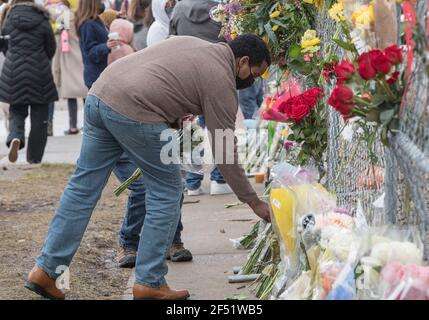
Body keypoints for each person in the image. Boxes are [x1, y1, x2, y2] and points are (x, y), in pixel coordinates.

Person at [25, 34, 271, 300]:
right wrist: (253, 202)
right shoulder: (222, 78)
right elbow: (225, 152)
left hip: (100, 96)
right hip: (132, 109)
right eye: (254, 74)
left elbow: (160, 77)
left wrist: (171, 115)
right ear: (243, 61)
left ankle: (46, 271)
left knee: (81, 190)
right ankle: (149, 282)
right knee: (167, 191)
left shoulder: (195, 44)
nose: (251, 81)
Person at [77, 0, 192, 267]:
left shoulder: (160, 65)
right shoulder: (129, 63)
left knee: (174, 184)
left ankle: (173, 240)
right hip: (119, 128)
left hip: (151, 131)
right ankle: (127, 243)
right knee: (140, 187)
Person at [169, 0, 233, 196]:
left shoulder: (178, 9)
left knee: (190, 128)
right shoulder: (222, 11)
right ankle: (219, 179)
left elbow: (170, 40)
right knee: (221, 128)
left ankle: (192, 182)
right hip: (217, 73)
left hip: (185, 75)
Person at [0, 0, 58, 164]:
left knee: (17, 109)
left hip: (13, 71)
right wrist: (42, 60)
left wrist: (12, 55)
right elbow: (51, 47)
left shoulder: (8, 17)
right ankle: (34, 158)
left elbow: (2, 44)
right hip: (40, 73)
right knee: (40, 117)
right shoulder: (42, 18)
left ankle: (15, 137)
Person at [52, 0, 88, 135]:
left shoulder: (64, 17)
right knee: (86, 93)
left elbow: (58, 30)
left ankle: (73, 126)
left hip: (68, 56)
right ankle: (88, 124)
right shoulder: (81, 16)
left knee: (71, 95)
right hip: (82, 56)